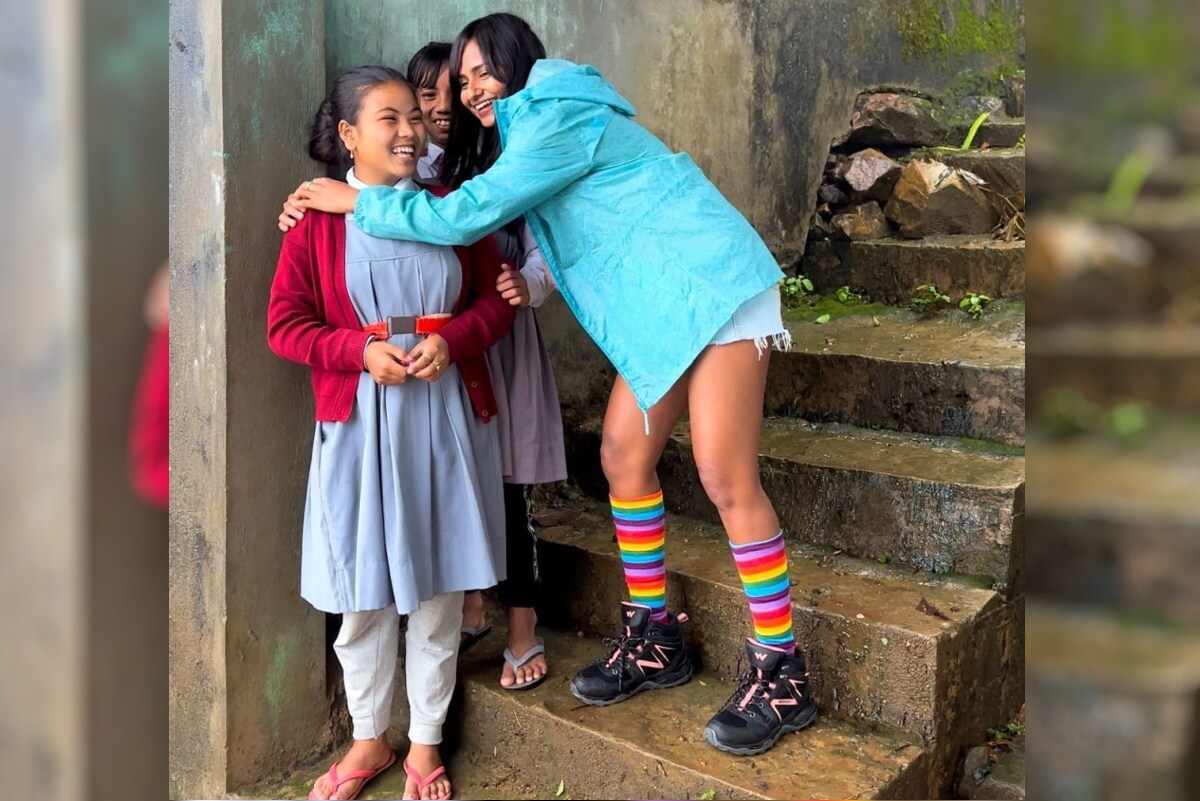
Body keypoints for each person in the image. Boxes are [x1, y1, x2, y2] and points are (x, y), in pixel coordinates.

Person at [279, 13, 816, 757]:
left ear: (521, 64)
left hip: (713, 283)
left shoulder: (556, 115)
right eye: (463, 79)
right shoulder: (521, 132)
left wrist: (356, 201)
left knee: (724, 474)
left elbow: (465, 212)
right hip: (662, 306)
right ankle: (656, 636)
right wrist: (322, 197)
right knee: (623, 456)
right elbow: (425, 171)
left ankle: (783, 672)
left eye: (484, 72)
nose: (472, 90)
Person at [267, 65, 515, 800]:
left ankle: (426, 739)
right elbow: (285, 326)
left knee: (439, 588)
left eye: (415, 116)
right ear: (349, 134)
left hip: (444, 417)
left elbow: (493, 303)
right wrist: (358, 351)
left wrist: (454, 341)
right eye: (389, 119)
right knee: (362, 591)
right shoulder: (314, 224)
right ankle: (370, 736)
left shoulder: (450, 210)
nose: (410, 131)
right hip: (360, 426)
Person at [402, 39, 567, 691]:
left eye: (458, 88)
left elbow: (546, 240)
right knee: (459, 484)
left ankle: (522, 628)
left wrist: (531, 283)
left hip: (505, 344)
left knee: (508, 485)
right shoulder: (411, 170)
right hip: (445, 353)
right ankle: (472, 606)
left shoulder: (508, 160)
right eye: (429, 93)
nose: (446, 104)